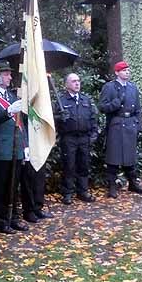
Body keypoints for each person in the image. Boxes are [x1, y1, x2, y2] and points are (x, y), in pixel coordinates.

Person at [0, 60, 30, 233]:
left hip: (16, 146)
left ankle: (14, 217)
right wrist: (9, 110)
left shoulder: (11, 95)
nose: (10, 77)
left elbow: (20, 123)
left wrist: (25, 145)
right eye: (6, 74)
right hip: (2, 149)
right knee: (1, 186)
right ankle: (2, 221)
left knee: (14, 185)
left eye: (10, 74)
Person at [98, 61, 142, 198]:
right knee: (113, 157)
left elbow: (138, 109)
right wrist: (115, 104)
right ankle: (112, 186)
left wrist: (138, 125)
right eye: (124, 70)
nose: (127, 72)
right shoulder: (109, 87)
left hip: (130, 124)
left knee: (130, 156)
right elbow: (102, 107)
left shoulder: (133, 88)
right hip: (116, 124)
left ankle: (133, 183)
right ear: (117, 72)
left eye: (128, 70)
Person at [55, 72, 98, 205]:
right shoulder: (61, 101)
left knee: (84, 165)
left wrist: (94, 134)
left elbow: (92, 117)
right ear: (66, 84)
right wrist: (60, 117)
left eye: (78, 81)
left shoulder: (85, 100)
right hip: (69, 138)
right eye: (74, 81)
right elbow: (53, 119)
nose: (77, 83)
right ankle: (67, 193)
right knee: (69, 165)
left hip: (84, 137)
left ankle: (83, 191)